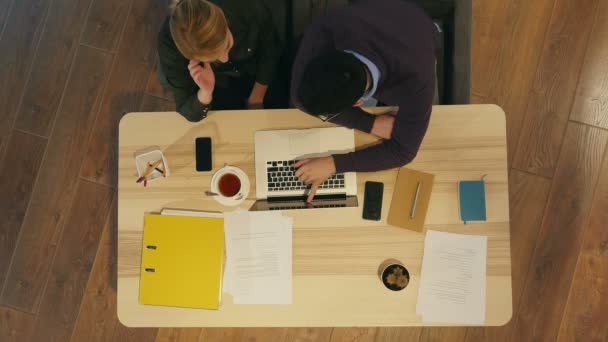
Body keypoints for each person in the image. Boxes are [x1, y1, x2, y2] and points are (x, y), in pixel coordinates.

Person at [291, 0, 438, 202]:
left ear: (358, 103)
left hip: (419, 27)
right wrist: (371, 123)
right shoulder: (327, 27)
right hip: (378, 17)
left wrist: (333, 164)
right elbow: (300, 98)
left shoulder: (417, 82)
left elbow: (404, 151)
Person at [157, 0, 281, 122]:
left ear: (224, 18)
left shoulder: (248, 7)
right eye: (213, 58)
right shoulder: (169, 45)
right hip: (216, 81)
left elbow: (269, 49)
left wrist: (256, 98)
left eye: (227, 45)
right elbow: (185, 106)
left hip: (252, 68)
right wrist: (205, 92)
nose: (225, 58)